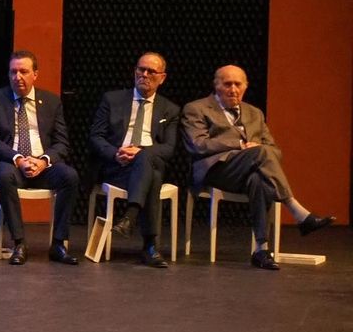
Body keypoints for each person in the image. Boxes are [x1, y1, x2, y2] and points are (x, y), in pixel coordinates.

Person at [181, 65, 335, 269]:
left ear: (245, 87)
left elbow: (274, 150)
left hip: (249, 170)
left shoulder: (255, 113)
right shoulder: (196, 108)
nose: (233, 89)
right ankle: (297, 211)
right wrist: (240, 146)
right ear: (216, 85)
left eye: (238, 84)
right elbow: (197, 145)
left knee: (259, 178)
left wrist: (257, 149)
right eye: (228, 84)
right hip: (216, 170)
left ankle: (261, 249)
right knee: (261, 152)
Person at [0, 50, 79, 265]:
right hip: (11, 164)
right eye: (13, 72)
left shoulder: (52, 102)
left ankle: (59, 243)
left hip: (42, 165)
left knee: (70, 176)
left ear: (36, 74)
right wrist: (18, 159)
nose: (18, 77)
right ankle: (19, 243)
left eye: (23, 71)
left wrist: (43, 161)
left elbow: (62, 142)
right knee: (4, 175)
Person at [88, 53, 181, 267]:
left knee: (146, 157)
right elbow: (96, 136)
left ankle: (130, 216)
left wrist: (139, 152)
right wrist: (115, 153)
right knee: (153, 176)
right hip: (116, 166)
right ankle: (150, 246)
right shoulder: (112, 100)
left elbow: (168, 148)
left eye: (151, 72)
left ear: (163, 77)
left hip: (147, 162)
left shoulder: (171, 109)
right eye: (141, 69)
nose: (144, 75)